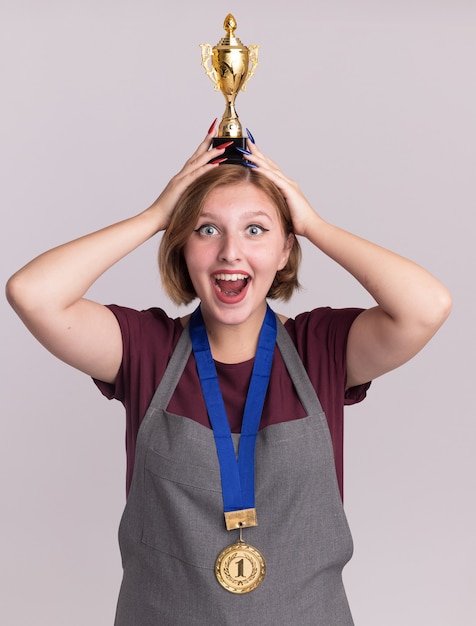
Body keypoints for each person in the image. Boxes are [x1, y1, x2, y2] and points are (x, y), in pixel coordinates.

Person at [6, 120, 452, 625]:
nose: (230, 252)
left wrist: (313, 224)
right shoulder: (146, 350)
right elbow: (32, 293)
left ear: (285, 251)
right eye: (206, 228)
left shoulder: (320, 349)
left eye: (256, 229)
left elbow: (427, 306)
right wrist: (155, 215)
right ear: (182, 246)